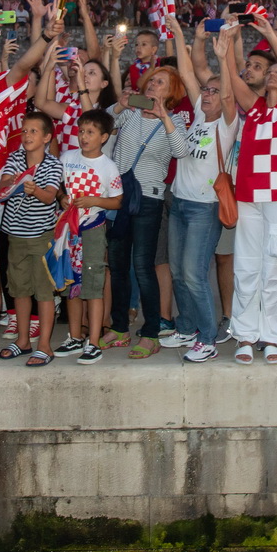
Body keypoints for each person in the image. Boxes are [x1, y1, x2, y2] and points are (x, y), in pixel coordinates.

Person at [217, 16, 277, 365]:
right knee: (247, 268)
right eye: (271, 72)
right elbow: (232, 76)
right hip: (249, 199)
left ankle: (271, 337)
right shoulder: (254, 109)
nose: (274, 75)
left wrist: (270, 34)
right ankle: (245, 334)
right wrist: (224, 51)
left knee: (275, 268)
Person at [159, 21, 239, 362]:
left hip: (204, 209)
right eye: (206, 90)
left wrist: (223, 57)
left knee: (194, 275)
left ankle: (207, 339)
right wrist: (179, 34)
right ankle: (187, 327)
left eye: (214, 92)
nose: (207, 94)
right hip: (179, 203)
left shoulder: (228, 123)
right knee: (178, 273)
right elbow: (187, 72)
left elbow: (230, 94)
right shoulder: (197, 114)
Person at [100, 65, 188, 359]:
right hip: (119, 197)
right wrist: (119, 105)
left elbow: (181, 151)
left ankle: (151, 333)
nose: (152, 85)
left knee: (142, 265)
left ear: (171, 92)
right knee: (117, 264)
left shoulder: (175, 120)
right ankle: (120, 327)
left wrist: (164, 117)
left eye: (160, 82)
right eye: (151, 81)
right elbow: (102, 124)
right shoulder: (131, 113)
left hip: (149, 199)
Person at [0, 112, 63, 366]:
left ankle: (44, 345)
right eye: (24, 131)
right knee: (19, 289)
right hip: (15, 236)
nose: (27, 135)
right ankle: (23, 341)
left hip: (41, 237)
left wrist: (35, 190)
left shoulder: (53, 165)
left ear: (47, 138)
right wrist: (11, 181)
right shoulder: (15, 159)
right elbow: (2, 185)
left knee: (44, 292)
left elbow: (50, 197)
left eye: (34, 131)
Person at [56, 109, 123, 364]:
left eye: (91, 132)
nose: (84, 137)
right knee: (71, 283)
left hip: (92, 228)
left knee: (93, 285)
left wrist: (95, 201)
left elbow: (117, 201)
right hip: (67, 231)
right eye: (82, 131)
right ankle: (75, 336)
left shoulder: (108, 166)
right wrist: (62, 197)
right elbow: (58, 186)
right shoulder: (67, 157)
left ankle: (93, 341)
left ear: (104, 137)